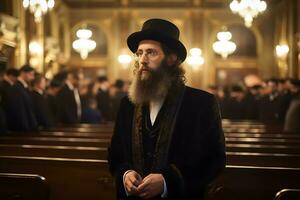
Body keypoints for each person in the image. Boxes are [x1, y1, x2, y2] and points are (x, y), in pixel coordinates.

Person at [108, 18, 226, 200]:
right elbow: (116, 154)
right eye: (139, 53)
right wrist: (125, 174)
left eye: (151, 53)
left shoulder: (201, 103)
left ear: (172, 59)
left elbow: (214, 160)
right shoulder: (128, 104)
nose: (142, 60)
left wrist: (166, 182)